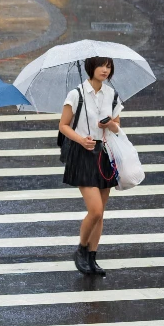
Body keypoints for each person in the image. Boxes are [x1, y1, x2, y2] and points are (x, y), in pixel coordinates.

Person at [58, 56, 123, 277]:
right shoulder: (76, 94)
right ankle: (81, 249)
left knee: (101, 213)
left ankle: (92, 258)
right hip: (83, 153)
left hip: (104, 153)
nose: (105, 70)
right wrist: (80, 139)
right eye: (101, 66)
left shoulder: (112, 94)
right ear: (91, 68)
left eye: (108, 66)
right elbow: (63, 125)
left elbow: (117, 127)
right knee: (94, 210)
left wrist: (110, 124)